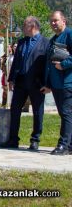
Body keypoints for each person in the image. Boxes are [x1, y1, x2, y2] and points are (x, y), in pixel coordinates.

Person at [2, 16, 49, 149]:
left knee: (37, 111)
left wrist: (47, 83)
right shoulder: (22, 42)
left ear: (32, 26)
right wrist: (11, 79)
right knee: (15, 110)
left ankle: (35, 139)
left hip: (37, 83)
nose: (22, 28)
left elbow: (47, 66)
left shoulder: (46, 43)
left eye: (24, 25)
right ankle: (13, 139)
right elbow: (16, 61)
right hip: (21, 82)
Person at [42, 11, 72, 155]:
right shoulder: (53, 39)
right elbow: (49, 63)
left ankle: (63, 145)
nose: (53, 23)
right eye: (51, 21)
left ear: (63, 21)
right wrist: (48, 83)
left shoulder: (70, 35)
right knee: (65, 114)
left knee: (66, 113)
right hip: (56, 84)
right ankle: (70, 145)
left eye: (56, 20)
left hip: (67, 82)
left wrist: (64, 64)